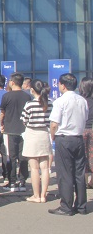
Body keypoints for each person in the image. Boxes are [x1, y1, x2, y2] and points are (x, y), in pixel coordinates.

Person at [48, 73, 88, 216]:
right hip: (78, 137)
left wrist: (53, 136)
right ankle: (81, 205)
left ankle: (66, 206)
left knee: (65, 173)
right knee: (79, 173)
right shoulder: (82, 100)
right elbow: (85, 118)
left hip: (64, 138)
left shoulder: (60, 101)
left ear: (63, 85)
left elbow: (54, 124)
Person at [21, 79, 53, 203]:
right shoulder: (50, 103)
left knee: (34, 168)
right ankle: (43, 195)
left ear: (32, 90)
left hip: (32, 134)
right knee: (45, 167)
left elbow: (24, 120)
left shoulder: (29, 104)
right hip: (44, 134)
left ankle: (36, 195)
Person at [0, 72, 32, 192]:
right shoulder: (27, 96)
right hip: (24, 130)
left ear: (12, 82)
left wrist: (1, 124)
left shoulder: (6, 96)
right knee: (23, 157)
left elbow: (2, 113)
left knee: (11, 157)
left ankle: (12, 181)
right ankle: (22, 182)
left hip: (10, 130)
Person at [78, 77, 93, 189]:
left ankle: (83, 180)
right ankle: (91, 181)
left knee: (81, 156)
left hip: (81, 130)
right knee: (91, 155)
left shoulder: (79, 100)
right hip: (92, 129)